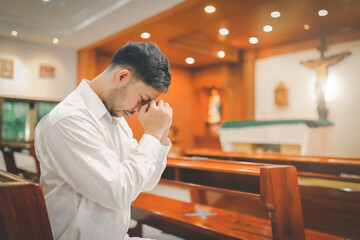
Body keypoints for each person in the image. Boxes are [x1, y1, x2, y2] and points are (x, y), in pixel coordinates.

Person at [35, 41, 173, 240]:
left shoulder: (116, 119)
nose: (138, 110)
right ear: (122, 76)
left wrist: (161, 133)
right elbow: (119, 192)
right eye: (143, 99)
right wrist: (151, 132)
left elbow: (145, 182)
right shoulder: (69, 120)